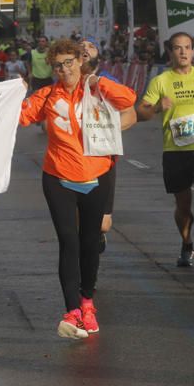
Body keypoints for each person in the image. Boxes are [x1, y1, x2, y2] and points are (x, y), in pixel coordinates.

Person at [19, 39, 136, 339]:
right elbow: (21, 116)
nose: (64, 69)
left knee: (90, 241)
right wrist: (13, 93)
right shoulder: (47, 95)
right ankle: (72, 311)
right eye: (58, 65)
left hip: (96, 175)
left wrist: (98, 82)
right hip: (58, 177)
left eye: (69, 62)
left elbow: (128, 101)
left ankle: (87, 302)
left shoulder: (96, 88)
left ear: (79, 61)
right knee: (69, 241)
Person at [137, 32, 194, 267]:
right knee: (182, 204)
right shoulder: (161, 81)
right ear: (171, 52)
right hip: (175, 149)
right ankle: (187, 243)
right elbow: (142, 111)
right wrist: (158, 107)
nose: (183, 52)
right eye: (178, 48)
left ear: (193, 51)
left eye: (187, 47)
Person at [80, 38, 137, 253]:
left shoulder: (108, 80)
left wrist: (106, 131)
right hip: (74, 158)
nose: (85, 48)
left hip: (104, 158)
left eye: (91, 46)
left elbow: (130, 114)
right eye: (81, 46)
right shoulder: (67, 81)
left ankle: (99, 234)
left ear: (98, 57)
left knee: (103, 222)